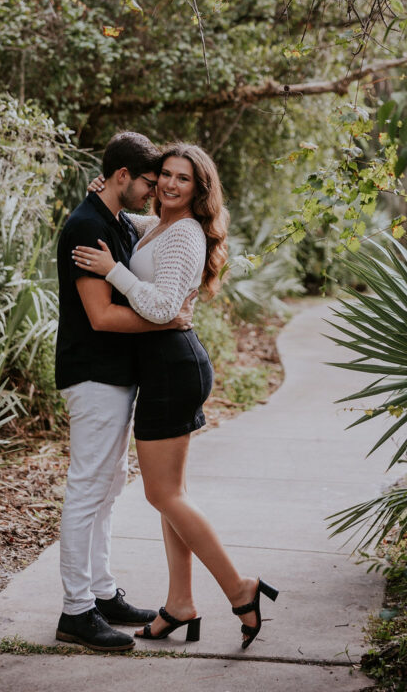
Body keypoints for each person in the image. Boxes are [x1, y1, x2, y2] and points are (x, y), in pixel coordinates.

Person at [72, 143, 278, 651]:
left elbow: (163, 306)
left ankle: (240, 588)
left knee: (164, 495)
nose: (168, 185)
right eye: (163, 174)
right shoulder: (160, 226)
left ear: (199, 189)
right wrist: (101, 194)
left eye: (182, 179)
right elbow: (132, 224)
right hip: (166, 364)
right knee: (171, 497)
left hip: (170, 366)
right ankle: (180, 604)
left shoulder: (185, 234)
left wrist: (112, 272)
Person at [54, 131, 195, 654]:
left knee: (110, 486)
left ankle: (103, 591)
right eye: (148, 183)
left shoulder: (112, 218)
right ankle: (75, 611)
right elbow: (102, 315)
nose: (153, 192)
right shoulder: (88, 227)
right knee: (88, 487)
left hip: (114, 376)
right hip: (92, 375)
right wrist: (166, 323)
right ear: (121, 178)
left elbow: (156, 231)